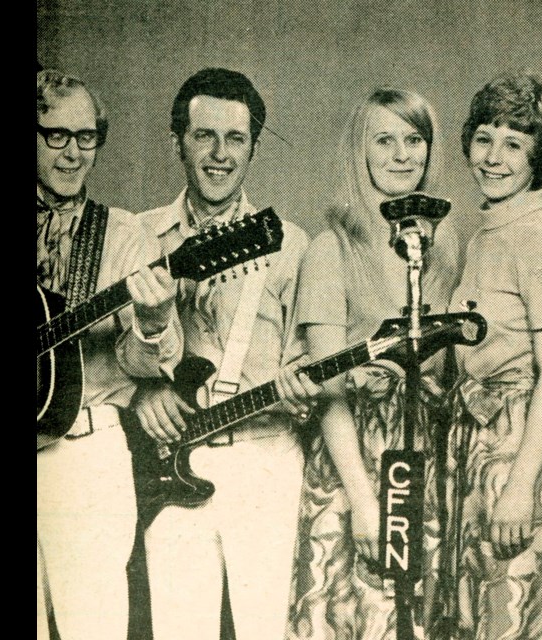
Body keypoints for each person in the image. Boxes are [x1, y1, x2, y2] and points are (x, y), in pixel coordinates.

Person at [132, 67, 318, 640]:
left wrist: (303, 388)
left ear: (254, 148)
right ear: (177, 142)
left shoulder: (290, 243)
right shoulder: (138, 237)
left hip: (265, 455)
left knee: (264, 629)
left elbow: (307, 369)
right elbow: (107, 359)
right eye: (203, 136)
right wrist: (145, 389)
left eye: (236, 139)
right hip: (173, 463)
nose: (219, 154)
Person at [288, 87, 460, 640]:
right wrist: (364, 503)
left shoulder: (446, 241)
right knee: (355, 617)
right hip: (353, 465)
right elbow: (329, 390)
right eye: (384, 141)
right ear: (359, 152)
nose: (401, 155)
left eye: (415, 140)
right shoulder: (329, 249)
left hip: (426, 459)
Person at [36, 69, 181, 640]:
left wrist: (151, 321)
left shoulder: (123, 237)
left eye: (87, 137)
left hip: (85, 453)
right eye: (55, 136)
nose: (74, 154)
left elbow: (143, 364)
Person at [432, 72, 542, 640]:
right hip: (474, 447)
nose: (493, 157)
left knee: (514, 617)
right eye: (485, 138)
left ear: (538, 157)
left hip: (518, 449)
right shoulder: (484, 235)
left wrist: (520, 486)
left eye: (513, 143)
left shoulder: (541, 241)